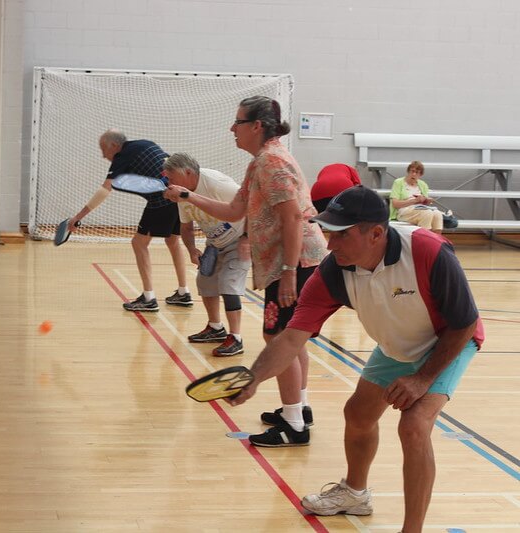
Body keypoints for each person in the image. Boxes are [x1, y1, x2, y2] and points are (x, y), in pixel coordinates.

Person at [226, 185, 484, 533]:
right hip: (396, 343)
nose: (330, 245)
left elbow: (465, 322)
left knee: (414, 425)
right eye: (329, 234)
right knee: (358, 414)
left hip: (447, 340)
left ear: (376, 233)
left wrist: (422, 378)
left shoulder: (427, 250)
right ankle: (355, 494)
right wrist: (254, 378)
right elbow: (291, 339)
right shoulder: (333, 272)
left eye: (341, 235)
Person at [164, 96, 327, 446]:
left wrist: (288, 272)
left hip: (296, 261)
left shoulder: (271, 162)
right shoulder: (261, 161)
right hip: (296, 260)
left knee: (280, 339)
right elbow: (234, 210)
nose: (231, 128)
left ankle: (294, 426)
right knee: (291, 336)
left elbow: (293, 217)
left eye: (237, 122)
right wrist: (187, 197)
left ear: (257, 126)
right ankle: (299, 408)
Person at [68, 130, 190, 312]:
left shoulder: (122, 156)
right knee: (173, 240)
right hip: (179, 196)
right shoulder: (146, 143)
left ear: (114, 146)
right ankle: (183, 292)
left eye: (103, 150)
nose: (103, 155)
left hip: (161, 200)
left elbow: (104, 191)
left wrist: (78, 218)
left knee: (138, 243)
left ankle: (148, 298)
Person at [162, 153, 251, 357]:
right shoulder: (180, 193)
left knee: (229, 284)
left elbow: (251, 207)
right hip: (214, 243)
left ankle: (236, 337)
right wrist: (192, 249)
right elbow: (186, 227)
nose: (169, 181)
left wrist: (247, 238)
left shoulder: (218, 184)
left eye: (172, 176)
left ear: (188, 172)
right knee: (205, 281)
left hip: (238, 240)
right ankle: (215, 327)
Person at [390, 160, 443, 233]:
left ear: (420, 175)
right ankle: (424, 239)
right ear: (408, 172)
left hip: (420, 209)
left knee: (437, 214)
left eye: (417, 172)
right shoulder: (398, 182)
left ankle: (437, 241)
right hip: (403, 211)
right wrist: (414, 201)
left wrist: (427, 201)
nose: (414, 174)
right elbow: (395, 204)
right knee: (427, 213)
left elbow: (424, 204)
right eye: (412, 171)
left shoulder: (423, 184)